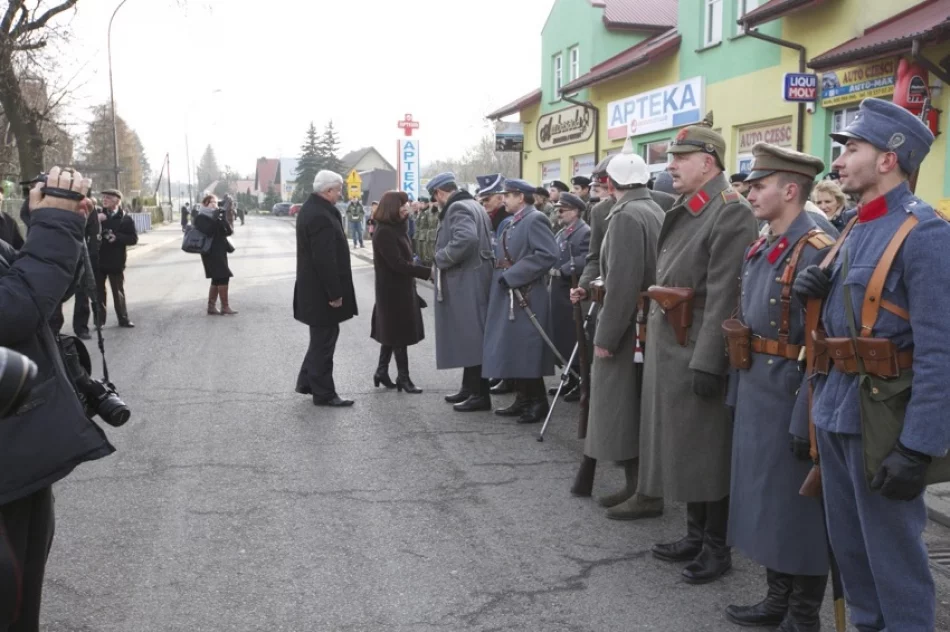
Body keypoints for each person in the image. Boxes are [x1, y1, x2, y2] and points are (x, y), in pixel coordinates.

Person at [793, 98, 950, 632]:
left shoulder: (924, 232)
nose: (838, 162)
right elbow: (837, 332)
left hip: (886, 420)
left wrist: (919, 446)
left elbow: (941, 351)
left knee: (893, 559)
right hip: (838, 408)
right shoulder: (857, 228)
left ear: (889, 159)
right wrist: (812, 292)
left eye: (852, 148)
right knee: (852, 553)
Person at [639, 116, 758, 585]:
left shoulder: (729, 209)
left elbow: (726, 291)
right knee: (687, 446)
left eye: (679, 158)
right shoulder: (691, 204)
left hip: (698, 345)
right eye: (671, 158)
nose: (671, 166)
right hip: (675, 339)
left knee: (709, 452)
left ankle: (716, 546)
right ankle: (694, 532)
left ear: (707, 163)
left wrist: (709, 359)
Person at [0, 167, 114, 631]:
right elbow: (12, 311)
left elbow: (38, 294)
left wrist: (55, 221)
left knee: (23, 586)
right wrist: (54, 226)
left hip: (18, 450)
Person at [725, 143, 833, 631]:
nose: (750, 191)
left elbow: (825, 342)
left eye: (760, 184)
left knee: (797, 507)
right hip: (757, 384)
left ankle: (802, 613)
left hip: (793, 389)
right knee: (766, 501)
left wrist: (805, 412)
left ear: (790, 190)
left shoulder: (817, 247)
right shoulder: (765, 240)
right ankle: (777, 599)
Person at [571, 153, 664, 520]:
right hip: (644, 323)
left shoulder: (626, 217)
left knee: (623, 407)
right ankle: (637, 486)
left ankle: (644, 490)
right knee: (634, 406)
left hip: (629, 327)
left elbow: (623, 284)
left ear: (611, 183)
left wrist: (606, 337)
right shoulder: (653, 209)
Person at [482, 178, 559, 424]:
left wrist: (513, 276)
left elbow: (548, 254)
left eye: (508, 195)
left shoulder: (535, 219)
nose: (504, 199)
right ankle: (523, 399)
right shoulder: (515, 221)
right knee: (514, 347)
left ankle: (537, 402)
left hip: (526, 292)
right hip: (511, 291)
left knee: (527, 348)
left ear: (521, 197)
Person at [428, 172, 495, 412]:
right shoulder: (472, 204)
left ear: (439, 193)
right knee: (471, 336)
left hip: (468, 279)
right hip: (476, 276)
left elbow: (466, 239)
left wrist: (441, 258)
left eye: (435, 199)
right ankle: (469, 388)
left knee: (473, 337)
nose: (437, 204)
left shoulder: (457, 209)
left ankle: (480, 394)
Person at [293, 170, 357, 408]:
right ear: (328, 190)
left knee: (321, 339)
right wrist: (335, 294)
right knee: (324, 342)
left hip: (314, 291)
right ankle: (324, 393)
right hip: (321, 294)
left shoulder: (313, 209)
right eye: (338, 189)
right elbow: (325, 260)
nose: (340, 194)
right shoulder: (319, 215)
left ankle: (308, 382)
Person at [370, 191, 432, 394]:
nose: (406, 208)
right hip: (392, 292)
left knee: (391, 332)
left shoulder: (397, 229)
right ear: (391, 208)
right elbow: (397, 264)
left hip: (401, 288)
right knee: (398, 335)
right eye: (402, 205)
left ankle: (381, 371)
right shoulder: (385, 232)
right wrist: (426, 272)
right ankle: (403, 378)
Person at [547, 193, 590, 402]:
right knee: (563, 338)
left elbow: (587, 258)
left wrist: (565, 269)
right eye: (558, 210)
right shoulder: (563, 233)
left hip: (570, 291)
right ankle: (570, 379)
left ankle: (580, 380)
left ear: (575, 211)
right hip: (558, 292)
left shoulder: (584, 232)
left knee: (574, 338)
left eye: (562, 210)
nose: (559, 214)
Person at [95, 189, 138, 328]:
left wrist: (117, 238)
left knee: (118, 291)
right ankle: (99, 321)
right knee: (98, 292)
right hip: (99, 259)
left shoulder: (125, 219)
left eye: (108, 197)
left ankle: (123, 319)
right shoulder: (97, 215)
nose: (105, 199)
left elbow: (133, 239)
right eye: (104, 197)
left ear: (117, 201)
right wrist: (96, 221)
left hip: (116, 260)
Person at [194, 194, 237, 316]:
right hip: (210, 252)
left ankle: (211, 307)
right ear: (205, 204)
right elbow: (208, 231)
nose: (214, 204)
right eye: (211, 202)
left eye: (216, 202)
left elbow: (228, 231)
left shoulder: (218, 216)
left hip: (220, 251)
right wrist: (214, 218)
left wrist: (222, 218)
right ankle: (225, 307)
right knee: (223, 276)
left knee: (217, 278)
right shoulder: (200, 217)